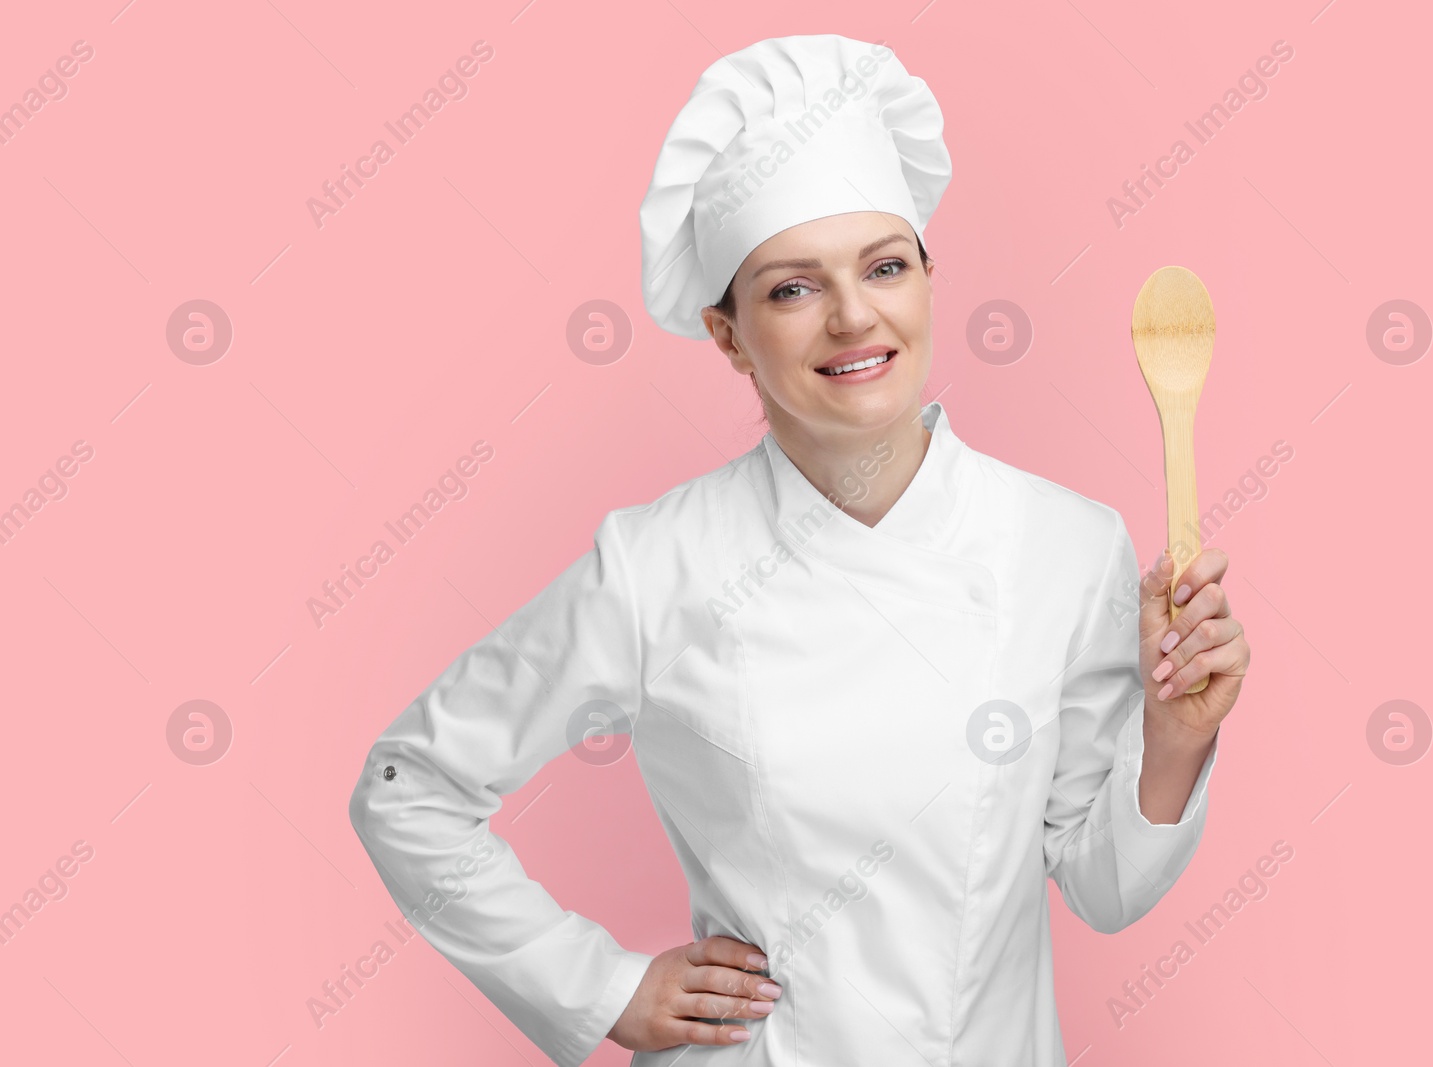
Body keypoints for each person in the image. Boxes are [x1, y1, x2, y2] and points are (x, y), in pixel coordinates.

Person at [349, 33, 1249, 1067]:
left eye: (883, 266)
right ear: (727, 337)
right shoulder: (656, 564)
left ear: (925, 278)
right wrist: (600, 986)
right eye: (790, 289)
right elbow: (404, 786)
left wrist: (1174, 739)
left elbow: (1103, 885)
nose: (853, 316)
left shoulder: (1066, 544)